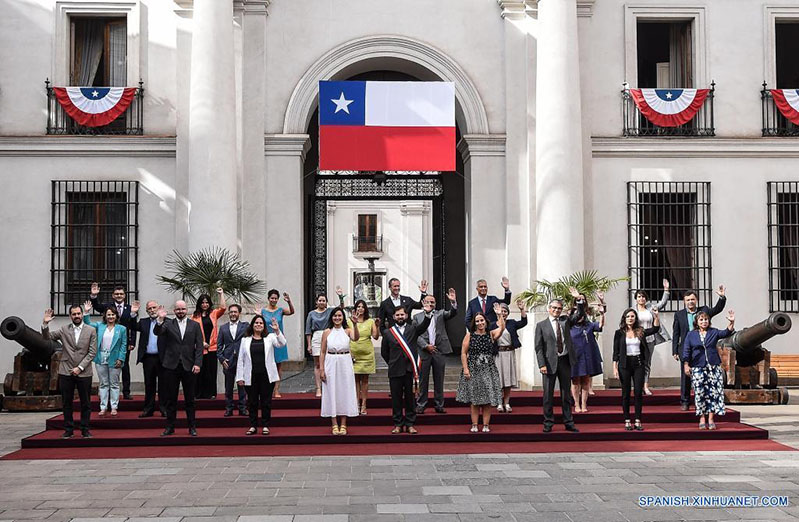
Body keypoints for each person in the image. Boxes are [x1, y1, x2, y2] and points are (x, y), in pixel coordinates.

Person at [42, 305, 97, 439]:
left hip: (84, 372)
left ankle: (85, 429)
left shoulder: (91, 330)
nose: (77, 316)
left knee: (86, 403)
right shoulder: (63, 329)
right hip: (66, 371)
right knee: (67, 402)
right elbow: (47, 337)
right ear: (70, 316)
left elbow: (92, 352)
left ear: (82, 314)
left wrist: (80, 367)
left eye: (78, 313)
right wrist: (45, 324)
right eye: (74, 314)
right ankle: (68, 429)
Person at [534, 288, 584, 433]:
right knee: (548, 395)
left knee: (566, 395)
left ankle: (568, 422)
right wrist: (541, 364)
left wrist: (578, 299)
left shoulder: (565, 321)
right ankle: (548, 423)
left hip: (565, 361)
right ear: (549, 309)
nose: (557, 310)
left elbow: (579, 315)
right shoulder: (541, 325)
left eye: (559, 308)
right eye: (554, 308)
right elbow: (538, 347)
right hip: (549, 363)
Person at [153, 301, 204, 436]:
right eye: (178, 309)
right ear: (174, 310)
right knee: (171, 399)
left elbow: (199, 347)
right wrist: (160, 319)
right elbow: (157, 332)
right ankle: (170, 427)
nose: (180, 311)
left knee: (190, 400)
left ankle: (192, 427)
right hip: (171, 366)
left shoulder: (195, 325)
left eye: (183, 309)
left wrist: (198, 363)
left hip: (189, 366)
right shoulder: (168, 324)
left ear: (186, 310)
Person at [672, 285, 727, 411]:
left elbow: (717, 309)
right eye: (688, 300)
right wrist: (674, 350)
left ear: (696, 300)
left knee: (704, 377)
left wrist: (722, 297)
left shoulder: (704, 311)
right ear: (684, 302)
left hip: (702, 351)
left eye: (692, 299)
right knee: (686, 376)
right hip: (686, 349)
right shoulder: (679, 314)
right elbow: (676, 333)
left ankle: (703, 401)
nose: (690, 302)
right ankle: (685, 401)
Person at [381, 304, 432, 434]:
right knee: (396, 399)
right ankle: (398, 424)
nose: (400, 317)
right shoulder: (388, 332)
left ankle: (410, 424)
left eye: (402, 314)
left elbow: (424, 326)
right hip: (395, 370)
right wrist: (393, 363)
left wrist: (427, 314)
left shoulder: (413, 329)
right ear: (393, 317)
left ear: (406, 315)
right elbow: (384, 352)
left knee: (410, 399)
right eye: (397, 315)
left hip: (410, 370)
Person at [682, 310, 735, 430]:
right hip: (697, 366)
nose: (704, 322)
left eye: (706, 319)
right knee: (700, 393)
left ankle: (711, 419)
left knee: (713, 393)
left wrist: (731, 322)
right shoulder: (691, 334)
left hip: (713, 366)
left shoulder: (714, 332)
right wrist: (686, 364)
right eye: (701, 319)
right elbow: (686, 350)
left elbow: (726, 332)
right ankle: (701, 418)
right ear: (697, 322)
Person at [456, 306, 505, 432]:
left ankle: (486, 425)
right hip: (473, 368)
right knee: (475, 399)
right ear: (474, 323)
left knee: (487, 399)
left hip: (488, 368)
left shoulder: (491, 334)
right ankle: (474, 424)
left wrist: (499, 315)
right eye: (477, 321)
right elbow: (463, 353)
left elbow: (502, 328)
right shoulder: (469, 335)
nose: (480, 323)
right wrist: (465, 369)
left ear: (486, 321)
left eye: (482, 320)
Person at [235, 315, 286, 435]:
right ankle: (253, 425)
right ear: (252, 325)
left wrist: (277, 330)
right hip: (250, 375)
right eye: (256, 323)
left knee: (266, 401)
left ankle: (265, 425)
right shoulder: (245, 340)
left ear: (264, 326)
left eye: (261, 323)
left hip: (266, 375)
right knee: (252, 402)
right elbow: (240, 360)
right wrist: (240, 377)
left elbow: (282, 343)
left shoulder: (270, 337)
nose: (258, 325)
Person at [613, 308, 660, 431]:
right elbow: (615, 352)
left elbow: (655, 329)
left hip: (638, 363)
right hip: (624, 364)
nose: (630, 318)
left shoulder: (640, 331)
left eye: (632, 316)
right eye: (628, 316)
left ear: (635, 318)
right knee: (626, 393)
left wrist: (656, 317)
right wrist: (615, 368)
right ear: (624, 318)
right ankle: (627, 420)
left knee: (638, 392)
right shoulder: (619, 333)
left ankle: (638, 420)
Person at [89, 282, 137, 400]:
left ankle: (126, 392)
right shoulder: (108, 307)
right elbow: (97, 307)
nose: (119, 295)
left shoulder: (131, 308)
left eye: (121, 294)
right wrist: (94, 296)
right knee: (108, 367)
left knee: (125, 367)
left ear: (124, 296)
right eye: (117, 294)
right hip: (109, 342)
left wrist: (132, 342)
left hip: (124, 343)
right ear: (113, 295)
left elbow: (133, 327)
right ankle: (109, 392)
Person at [414, 289, 458, 415]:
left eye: (432, 302)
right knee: (423, 380)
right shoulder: (416, 317)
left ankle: (439, 405)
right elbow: (415, 334)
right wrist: (425, 345)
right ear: (423, 302)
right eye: (428, 302)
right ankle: (421, 405)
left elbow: (452, 313)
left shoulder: (440, 314)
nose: (430, 304)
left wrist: (453, 302)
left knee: (439, 379)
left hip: (439, 350)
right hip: (424, 351)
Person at [320, 307, 362, 434]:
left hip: (345, 362)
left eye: (339, 316)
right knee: (331, 390)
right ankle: (334, 423)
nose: (337, 318)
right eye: (334, 316)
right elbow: (322, 352)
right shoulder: (327, 332)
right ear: (331, 317)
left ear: (343, 317)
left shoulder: (348, 330)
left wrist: (355, 324)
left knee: (344, 391)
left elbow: (356, 338)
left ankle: (343, 423)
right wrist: (322, 369)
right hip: (331, 361)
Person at [82, 301, 128, 416]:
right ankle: (103, 407)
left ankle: (114, 406)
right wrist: (86, 312)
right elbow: (87, 324)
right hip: (101, 357)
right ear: (105, 316)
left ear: (116, 316)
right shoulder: (100, 326)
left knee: (114, 383)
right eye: (108, 314)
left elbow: (123, 345)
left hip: (115, 358)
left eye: (113, 314)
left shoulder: (121, 329)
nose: (111, 317)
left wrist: (121, 359)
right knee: (103, 383)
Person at [634, 279, 671, 395]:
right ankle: (637, 386)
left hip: (650, 340)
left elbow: (662, 304)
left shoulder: (650, 308)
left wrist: (666, 290)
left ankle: (646, 386)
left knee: (646, 363)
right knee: (636, 363)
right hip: (636, 341)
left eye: (643, 297)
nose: (641, 299)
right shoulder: (633, 311)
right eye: (639, 297)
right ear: (636, 299)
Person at [130, 300, 166, 418]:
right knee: (149, 385)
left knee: (163, 385)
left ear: (159, 308)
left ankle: (164, 409)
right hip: (148, 358)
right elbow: (132, 326)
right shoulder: (143, 322)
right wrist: (133, 314)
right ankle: (148, 409)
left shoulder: (167, 322)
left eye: (154, 308)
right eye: (149, 309)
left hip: (162, 358)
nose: (152, 310)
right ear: (146, 311)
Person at [570, 292, 605, 413]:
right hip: (575, 356)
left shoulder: (588, 325)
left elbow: (600, 325)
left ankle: (584, 404)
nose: (579, 316)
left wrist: (602, 314)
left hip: (587, 356)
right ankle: (576, 404)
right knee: (575, 381)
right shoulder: (569, 325)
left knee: (585, 380)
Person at [191, 288, 227, 399]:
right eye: (203, 302)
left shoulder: (214, 313)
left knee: (211, 371)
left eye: (207, 302)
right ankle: (198, 394)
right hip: (200, 348)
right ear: (199, 304)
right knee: (200, 371)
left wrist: (221, 294)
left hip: (212, 347)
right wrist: (201, 343)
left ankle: (211, 393)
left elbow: (223, 308)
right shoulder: (194, 316)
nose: (205, 304)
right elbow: (192, 333)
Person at [494, 300, 528, 413]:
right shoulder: (492, 325)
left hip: (509, 353)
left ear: (507, 313)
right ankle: (499, 402)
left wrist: (522, 310)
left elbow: (523, 322)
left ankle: (506, 403)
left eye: (505, 311)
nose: (503, 313)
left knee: (507, 380)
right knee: (498, 379)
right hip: (497, 354)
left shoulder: (512, 323)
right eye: (501, 311)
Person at [260, 289, 295, 398]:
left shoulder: (280, 310)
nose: (273, 300)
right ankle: (267, 389)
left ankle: (276, 389)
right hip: (267, 340)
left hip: (279, 340)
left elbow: (292, 312)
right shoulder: (263, 311)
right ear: (268, 298)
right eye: (272, 298)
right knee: (266, 365)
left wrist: (289, 301)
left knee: (278, 365)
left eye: (275, 298)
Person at [217, 304, 249, 417]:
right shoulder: (223, 328)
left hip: (242, 361)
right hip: (228, 361)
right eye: (231, 312)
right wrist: (221, 359)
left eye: (235, 312)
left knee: (242, 386)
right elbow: (219, 346)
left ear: (239, 313)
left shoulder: (245, 326)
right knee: (228, 387)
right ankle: (229, 408)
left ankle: (242, 408)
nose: (233, 314)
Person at [349, 299, 379, 415]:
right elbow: (347, 336)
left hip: (367, 353)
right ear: (355, 308)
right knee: (356, 380)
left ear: (365, 309)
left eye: (362, 307)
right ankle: (356, 403)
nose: (360, 308)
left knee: (365, 380)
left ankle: (364, 404)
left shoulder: (370, 321)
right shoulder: (349, 321)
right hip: (354, 352)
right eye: (358, 306)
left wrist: (377, 326)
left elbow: (375, 337)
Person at [305, 294, 334, 397]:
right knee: (317, 364)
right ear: (316, 302)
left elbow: (341, 309)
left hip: (328, 335)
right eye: (320, 300)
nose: (322, 302)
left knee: (328, 362)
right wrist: (309, 345)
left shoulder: (330, 311)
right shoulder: (311, 314)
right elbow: (308, 330)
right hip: (316, 336)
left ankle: (328, 387)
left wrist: (340, 297)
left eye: (324, 300)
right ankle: (318, 388)